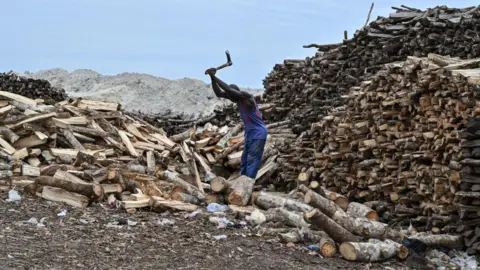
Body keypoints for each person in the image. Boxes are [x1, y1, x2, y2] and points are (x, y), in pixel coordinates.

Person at [205, 68, 267, 179]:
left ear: (235, 93)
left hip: (258, 133)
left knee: (253, 159)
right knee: (244, 159)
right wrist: (212, 78)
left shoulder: (247, 97)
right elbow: (219, 93)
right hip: (249, 133)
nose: (230, 99)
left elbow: (227, 89)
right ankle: (242, 181)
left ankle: (247, 182)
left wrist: (214, 76)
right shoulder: (238, 99)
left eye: (230, 95)